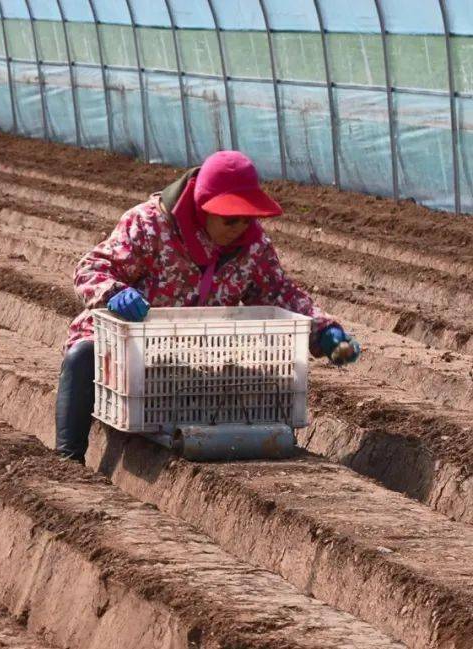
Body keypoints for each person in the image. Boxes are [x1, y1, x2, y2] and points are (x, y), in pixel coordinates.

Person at [57, 150, 361, 462]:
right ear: (203, 207)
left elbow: (279, 293)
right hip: (129, 347)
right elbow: (91, 269)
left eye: (248, 218)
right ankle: (70, 459)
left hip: (199, 355)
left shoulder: (252, 247)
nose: (240, 227)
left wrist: (324, 332)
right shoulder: (149, 227)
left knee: (256, 376)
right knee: (83, 354)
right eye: (230, 219)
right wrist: (114, 293)